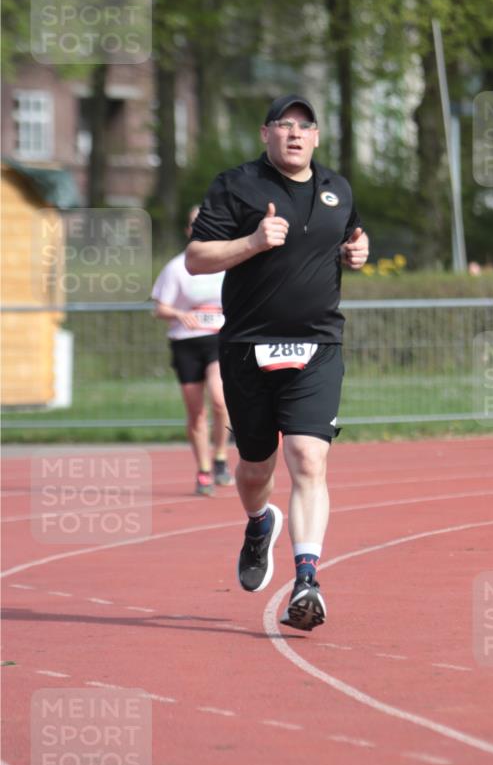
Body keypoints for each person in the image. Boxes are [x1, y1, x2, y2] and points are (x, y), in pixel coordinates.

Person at [185, 94, 369, 630]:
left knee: (310, 459)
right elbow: (197, 257)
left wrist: (359, 252)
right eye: (284, 126)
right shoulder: (237, 185)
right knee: (255, 467)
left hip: (318, 345)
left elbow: (354, 235)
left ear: (316, 137)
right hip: (247, 346)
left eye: (304, 126)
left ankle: (308, 579)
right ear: (265, 133)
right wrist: (252, 241)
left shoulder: (337, 189)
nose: (294, 134)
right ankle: (258, 521)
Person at [152, 206, 234, 496]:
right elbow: (159, 308)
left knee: (220, 400)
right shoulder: (177, 267)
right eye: (193, 225)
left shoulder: (228, 264)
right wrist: (178, 313)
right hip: (186, 342)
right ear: (188, 231)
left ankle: (221, 455)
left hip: (218, 339)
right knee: (196, 411)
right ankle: (203, 469)